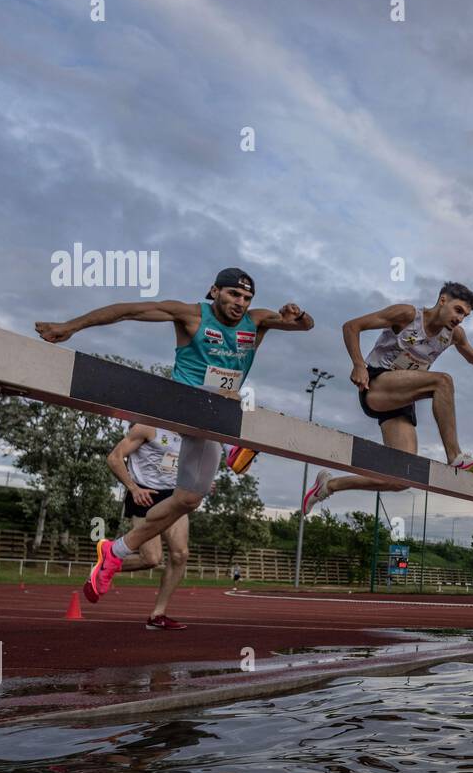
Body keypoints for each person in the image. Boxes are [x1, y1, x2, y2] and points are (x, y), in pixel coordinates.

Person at [34, 267, 314, 603]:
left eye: (246, 298)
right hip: (181, 408)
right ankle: (235, 446)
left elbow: (304, 326)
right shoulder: (190, 315)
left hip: (211, 421)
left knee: (187, 500)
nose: (240, 303)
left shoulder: (256, 321)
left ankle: (116, 551)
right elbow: (129, 310)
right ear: (215, 291)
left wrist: (297, 314)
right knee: (238, 399)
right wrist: (71, 326)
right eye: (233, 295)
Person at [302, 282, 473, 512]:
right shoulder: (407, 315)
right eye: (458, 310)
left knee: (402, 478)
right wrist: (358, 364)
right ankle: (455, 456)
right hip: (377, 383)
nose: (460, 319)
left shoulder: (453, 335)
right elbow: (351, 326)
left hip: (401, 401)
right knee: (442, 381)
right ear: (442, 300)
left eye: (465, 315)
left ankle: (328, 486)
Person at [105, 424, 191, 630]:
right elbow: (114, 458)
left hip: (173, 496)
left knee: (180, 554)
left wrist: (199, 484)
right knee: (151, 559)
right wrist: (133, 488)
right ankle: (106, 563)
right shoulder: (146, 428)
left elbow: (182, 466)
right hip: (145, 495)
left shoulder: (189, 435)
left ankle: (158, 615)